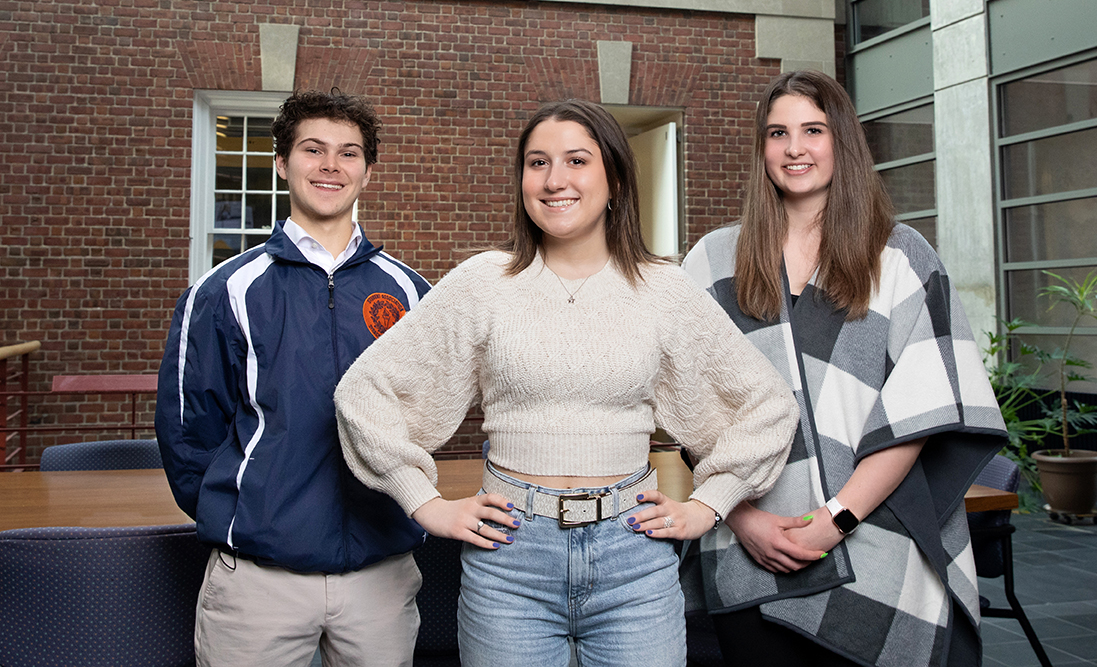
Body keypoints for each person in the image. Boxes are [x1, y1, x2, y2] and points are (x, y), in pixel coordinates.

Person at [334, 98, 801, 667]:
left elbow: (768, 405)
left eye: (576, 161)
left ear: (615, 180)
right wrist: (423, 501)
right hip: (509, 560)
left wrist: (710, 504)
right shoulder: (484, 283)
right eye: (537, 163)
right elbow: (362, 394)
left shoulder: (662, 289)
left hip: (635, 557)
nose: (555, 181)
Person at [680, 71, 1008, 667]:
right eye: (777, 133)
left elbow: (920, 408)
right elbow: (692, 415)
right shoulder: (710, 262)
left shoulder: (901, 256)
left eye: (813, 130)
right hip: (745, 538)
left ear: (843, 142)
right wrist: (742, 516)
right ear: (761, 150)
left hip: (877, 537)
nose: (794, 148)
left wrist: (836, 518)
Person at [155, 89, 431, 667]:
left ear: (367, 171)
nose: (331, 165)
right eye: (313, 149)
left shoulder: (411, 293)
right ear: (282, 164)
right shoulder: (224, 292)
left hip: (380, 578)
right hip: (259, 583)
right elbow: (188, 437)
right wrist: (251, 517)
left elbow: (428, 417)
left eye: (349, 153)